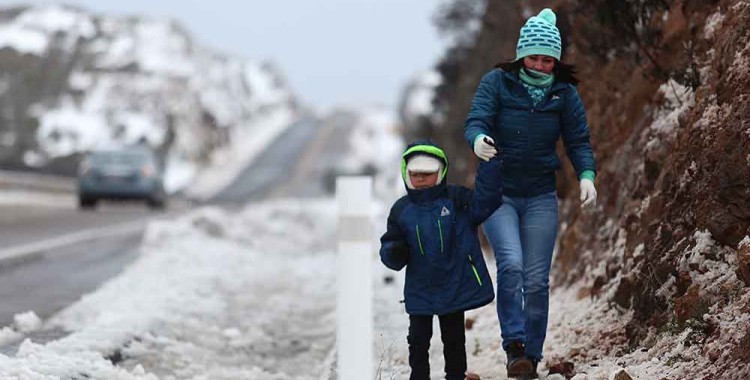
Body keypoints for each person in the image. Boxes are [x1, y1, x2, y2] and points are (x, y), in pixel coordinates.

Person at [463, 8, 598, 379]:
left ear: (556, 60)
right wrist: (478, 141)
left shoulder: (564, 93)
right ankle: (514, 345)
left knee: (537, 279)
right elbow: (476, 120)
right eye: (534, 57)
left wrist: (586, 174)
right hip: (498, 193)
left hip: (540, 195)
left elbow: (578, 140)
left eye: (547, 58)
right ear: (521, 55)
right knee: (511, 264)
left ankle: (530, 358)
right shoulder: (497, 82)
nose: (540, 64)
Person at [379, 140, 502, 380]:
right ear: (406, 173)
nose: (421, 179)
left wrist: (490, 164)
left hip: (453, 284)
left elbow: (486, 202)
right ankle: (419, 376)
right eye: (415, 174)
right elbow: (389, 244)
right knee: (417, 339)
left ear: (441, 172)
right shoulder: (401, 210)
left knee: (454, 338)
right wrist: (394, 252)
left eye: (427, 173)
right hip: (420, 289)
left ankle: (455, 376)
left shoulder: (456, 199)